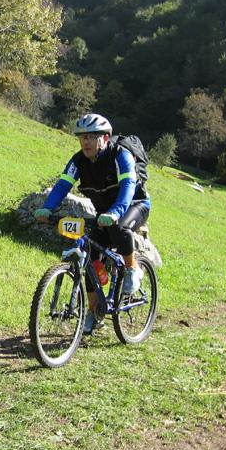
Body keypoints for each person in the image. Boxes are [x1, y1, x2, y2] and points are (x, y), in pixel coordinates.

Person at [34, 113, 151, 333]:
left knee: (120, 227)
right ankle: (94, 311)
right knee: (90, 258)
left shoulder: (121, 156)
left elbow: (127, 188)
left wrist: (116, 212)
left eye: (91, 136)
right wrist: (48, 208)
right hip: (105, 214)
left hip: (135, 205)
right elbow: (62, 186)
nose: (85, 142)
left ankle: (132, 269)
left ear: (105, 138)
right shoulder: (78, 160)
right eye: (82, 137)